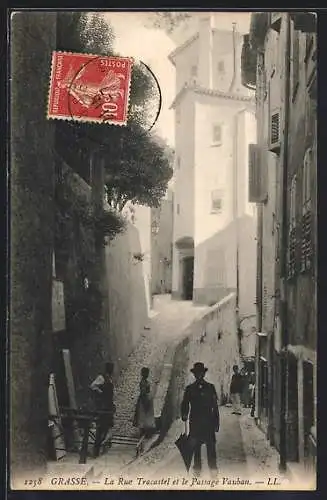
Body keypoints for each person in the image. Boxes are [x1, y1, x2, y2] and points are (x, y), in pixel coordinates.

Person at [181, 362, 220, 477]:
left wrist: (216, 422)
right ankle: (197, 470)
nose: (199, 375)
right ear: (194, 375)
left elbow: (215, 406)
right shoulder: (190, 389)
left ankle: (213, 470)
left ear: (203, 374)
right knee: (196, 447)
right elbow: (185, 404)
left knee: (211, 447)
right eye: (197, 373)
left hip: (208, 422)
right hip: (196, 422)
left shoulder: (210, 388)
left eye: (201, 373)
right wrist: (184, 414)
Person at [90, 362, 115, 458]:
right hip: (103, 407)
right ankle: (96, 451)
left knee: (106, 427)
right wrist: (101, 392)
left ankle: (101, 448)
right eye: (110, 369)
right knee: (101, 429)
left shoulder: (109, 379)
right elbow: (93, 386)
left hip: (108, 407)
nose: (111, 371)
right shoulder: (102, 377)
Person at [133, 367, 156, 438]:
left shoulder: (145, 381)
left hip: (146, 399)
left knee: (145, 415)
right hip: (144, 400)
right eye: (146, 373)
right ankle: (142, 431)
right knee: (142, 414)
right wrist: (146, 399)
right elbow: (143, 392)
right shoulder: (143, 382)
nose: (147, 375)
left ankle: (145, 430)